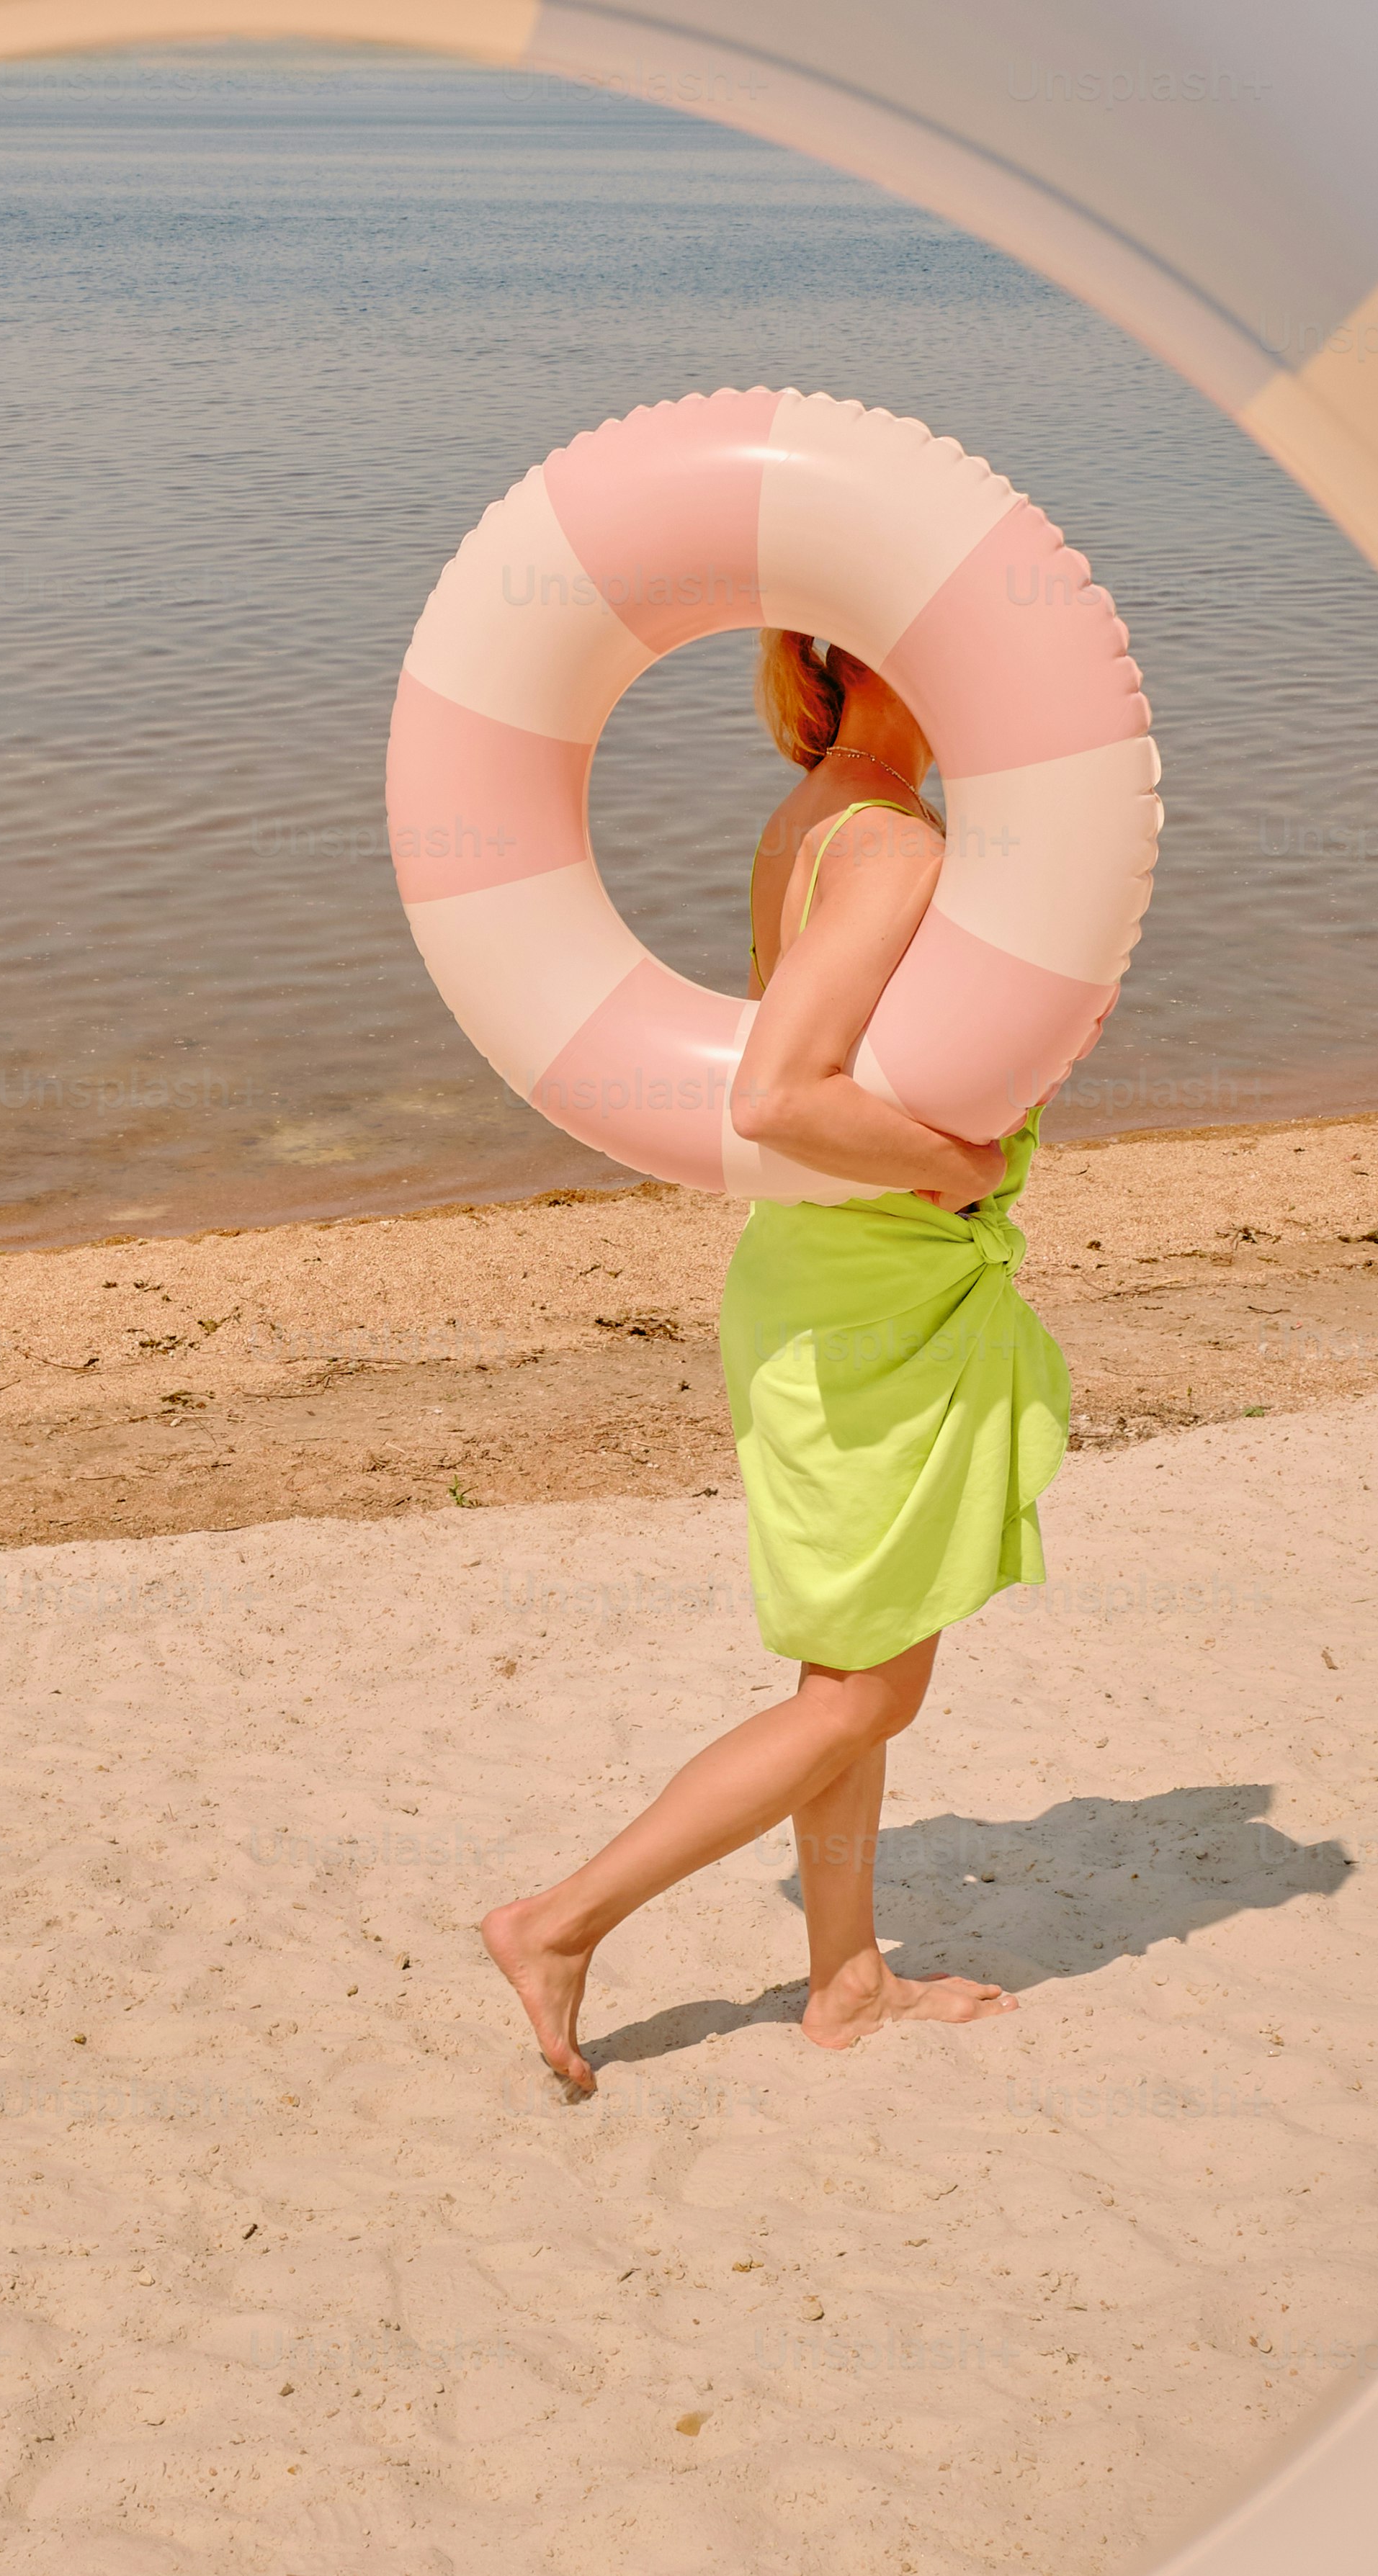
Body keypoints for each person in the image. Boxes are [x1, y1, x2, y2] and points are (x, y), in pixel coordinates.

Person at [479, 629, 1093, 2099]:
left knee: (854, 1661)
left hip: (821, 1282)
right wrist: (956, 1169)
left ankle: (846, 1981)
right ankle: (556, 1923)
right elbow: (777, 1094)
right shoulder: (894, 847)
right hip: (867, 1295)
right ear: (892, 657)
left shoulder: (816, 815)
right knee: (859, 1695)